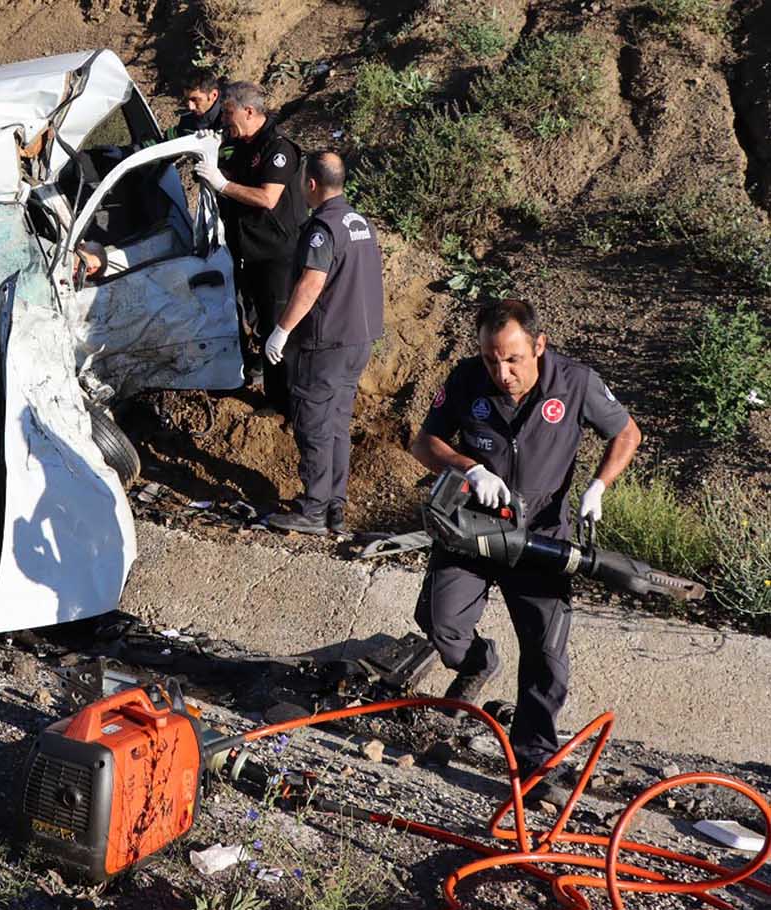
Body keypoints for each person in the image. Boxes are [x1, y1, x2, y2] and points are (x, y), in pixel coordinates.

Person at [409, 298, 641, 785]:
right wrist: (467, 468)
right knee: (439, 621)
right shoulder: (466, 379)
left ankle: (534, 760)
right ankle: (477, 661)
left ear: (538, 346)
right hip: (473, 530)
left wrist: (598, 487)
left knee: (544, 652)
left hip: (541, 537)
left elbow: (626, 434)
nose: (503, 371)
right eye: (493, 359)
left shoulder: (575, 382)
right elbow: (424, 441)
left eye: (513, 359)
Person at [264, 151, 384, 536]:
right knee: (335, 424)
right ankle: (335, 506)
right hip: (358, 340)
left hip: (327, 342)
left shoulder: (323, 228)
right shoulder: (360, 222)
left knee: (314, 424)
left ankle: (314, 508)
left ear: (310, 185)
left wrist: (281, 330)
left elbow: (312, 282)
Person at [193, 81, 305, 416]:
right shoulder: (243, 144)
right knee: (260, 323)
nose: (225, 121)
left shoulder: (277, 148)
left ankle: (287, 404)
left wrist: (222, 184)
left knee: (279, 327)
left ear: (249, 111)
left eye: (228, 114)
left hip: (277, 254)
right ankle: (271, 390)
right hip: (249, 252)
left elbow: (267, 198)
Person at [171, 71, 223, 137]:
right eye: (187, 99)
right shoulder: (186, 122)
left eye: (195, 100)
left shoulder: (232, 120)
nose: (190, 107)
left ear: (213, 95)